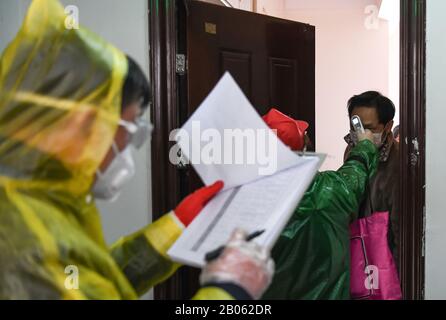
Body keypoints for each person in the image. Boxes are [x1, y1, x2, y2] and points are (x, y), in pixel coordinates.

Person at [0, 0, 273, 300]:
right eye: (127, 130)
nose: (128, 148)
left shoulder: (38, 202)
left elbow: (100, 284)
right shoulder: (24, 241)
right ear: (80, 126)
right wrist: (228, 291)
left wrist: (176, 225)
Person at [260, 108, 378, 299]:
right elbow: (354, 175)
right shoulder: (324, 191)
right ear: (302, 149)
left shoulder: (247, 199)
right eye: (304, 135)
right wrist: (365, 145)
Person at [343, 91, 400, 267]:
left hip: (385, 256)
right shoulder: (352, 151)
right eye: (356, 126)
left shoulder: (400, 162)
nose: (361, 135)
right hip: (356, 247)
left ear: (388, 126)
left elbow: (400, 229)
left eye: (369, 128)